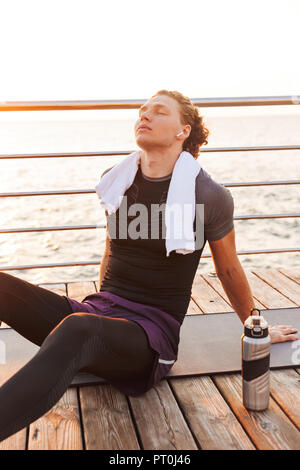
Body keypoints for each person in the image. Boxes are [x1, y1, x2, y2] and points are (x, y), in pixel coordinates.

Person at [0, 90, 298, 443]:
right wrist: (101, 320)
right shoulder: (118, 179)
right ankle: (88, 343)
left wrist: (254, 327)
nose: (145, 115)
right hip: (102, 317)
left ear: (182, 131)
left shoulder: (208, 195)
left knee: (77, 329)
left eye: (158, 111)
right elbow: (111, 249)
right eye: (142, 111)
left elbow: (229, 270)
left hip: (149, 338)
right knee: (54, 313)